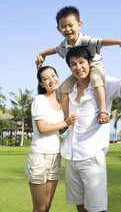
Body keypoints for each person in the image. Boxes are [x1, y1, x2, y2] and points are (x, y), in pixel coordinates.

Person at [60, 38, 121, 212]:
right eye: (73, 64)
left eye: (81, 62)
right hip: (70, 156)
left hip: (91, 157)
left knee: (97, 208)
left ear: (90, 63)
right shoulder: (68, 91)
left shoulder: (104, 84)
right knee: (80, 207)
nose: (78, 67)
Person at [36, 6, 121, 124]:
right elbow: (55, 50)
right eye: (63, 27)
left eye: (71, 25)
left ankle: (102, 111)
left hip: (95, 66)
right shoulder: (64, 44)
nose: (67, 29)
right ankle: (66, 118)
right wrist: (43, 53)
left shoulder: (86, 40)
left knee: (95, 79)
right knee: (63, 88)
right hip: (79, 71)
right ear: (58, 29)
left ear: (79, 24)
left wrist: (119, 42)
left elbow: (102, 41)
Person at [25, 66, 78, 212]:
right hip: (39, 157)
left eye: (53, 76)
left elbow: (59, 129)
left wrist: (68, 124)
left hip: (55, 156)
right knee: (40, 207)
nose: (51, 80)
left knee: (47, 205)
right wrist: (66, 122)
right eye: (46, 79)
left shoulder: (60, 103)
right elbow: (42, 128)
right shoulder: (39, 100)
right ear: (41, 84)